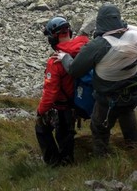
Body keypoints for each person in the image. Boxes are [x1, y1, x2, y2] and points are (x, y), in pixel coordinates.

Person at [55, 4, 137, 157]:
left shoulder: (98, 45)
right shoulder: (134, 36)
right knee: (127, 113)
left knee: (98, 126)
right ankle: (135, 149)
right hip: (133, 94)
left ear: (100, 22)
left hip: (109, 98)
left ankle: (101, 158)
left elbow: (74, 70)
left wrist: (65, 58)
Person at [35, 16, 89, 166]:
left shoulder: (56, 61)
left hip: (61, 106)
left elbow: (50, 93)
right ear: (70, 33)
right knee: (66, 135)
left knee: (41, 127)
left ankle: (53, 163)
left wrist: (41, 111)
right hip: (76, 104)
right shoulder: (83, 51)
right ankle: (68, 161)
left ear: (52, 39)